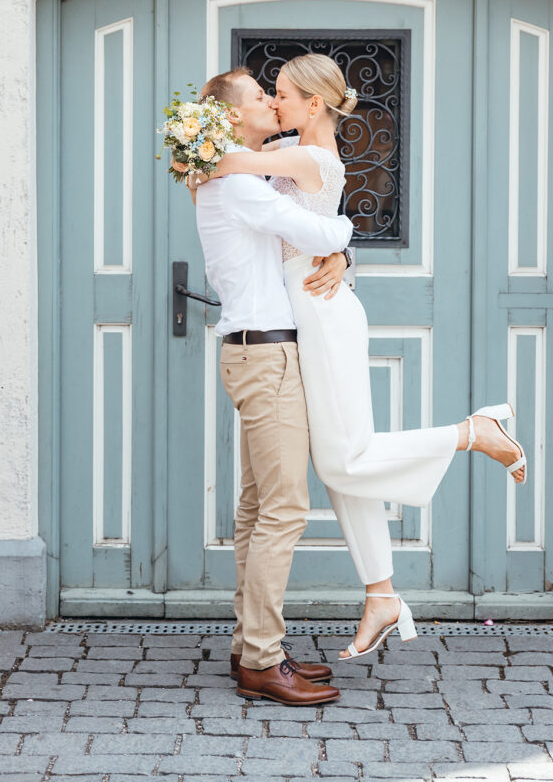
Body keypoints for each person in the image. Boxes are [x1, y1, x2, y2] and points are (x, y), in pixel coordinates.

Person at [189, 55, 527, 662]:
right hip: (300, 317)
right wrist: (342, 254)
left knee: (346, 458)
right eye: (267, 95)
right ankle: (381, 591)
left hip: (317, 316)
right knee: (341, 459)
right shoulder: (289, 153)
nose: (274, 101)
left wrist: (199, 156)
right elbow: (286, 214)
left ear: (312, 104)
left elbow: (239, 166)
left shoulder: (295, 156)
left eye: (282, 94)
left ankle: (472, 433)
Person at [188, 66, 353, 706]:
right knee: (283, 510)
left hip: (255, 355)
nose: (269, 101)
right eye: (261, 96)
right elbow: (319, 230)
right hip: (268, 358)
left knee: (259, 509)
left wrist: (338, 247)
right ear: (232, 117)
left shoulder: (237, 174)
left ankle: (252, 645)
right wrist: (341, 241)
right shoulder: (238, 186)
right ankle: (261, 657)